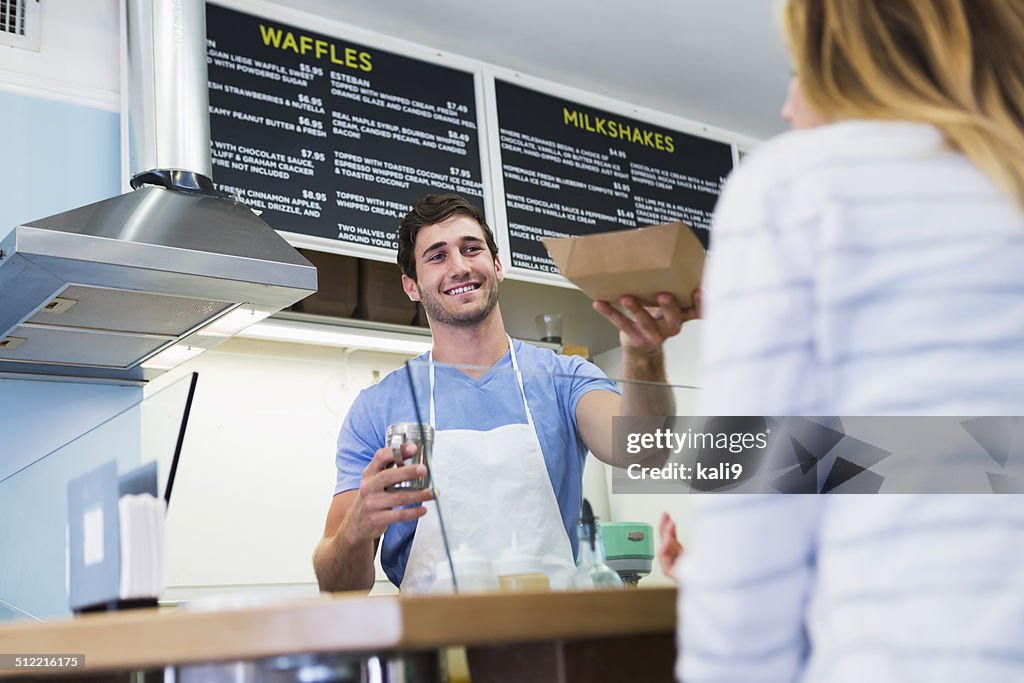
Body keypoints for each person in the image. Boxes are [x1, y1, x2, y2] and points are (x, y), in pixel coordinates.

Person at [676, 0, 1024, 681]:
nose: (784, 108)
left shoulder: (796, 188)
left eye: (798, 69)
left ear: (852, 56)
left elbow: (750, 510)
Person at [313, 193, 699, 592]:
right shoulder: (377, 407)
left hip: (554, 640)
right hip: (438, 646)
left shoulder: (562, 378)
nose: (460, 267)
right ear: (411, 286)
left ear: (497, 266)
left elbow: (643, 449)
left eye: (471, 249)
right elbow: (338, 584)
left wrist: (644, 352)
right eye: (437, 256)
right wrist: (356, 528)